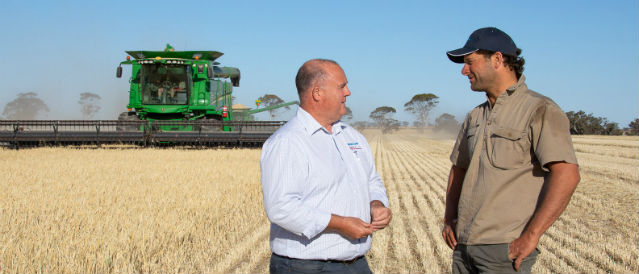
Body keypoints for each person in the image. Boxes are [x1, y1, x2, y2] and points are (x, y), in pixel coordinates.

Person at [442, 27, 580, 274]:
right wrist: (449, 219)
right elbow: (458, 170)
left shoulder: (540, 109)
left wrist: (531, 235)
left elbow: (567, 174)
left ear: (497, 59)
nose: (464, 71)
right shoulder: (474, 116)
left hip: (504, 252)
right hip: (463, 249)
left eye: (469, 62)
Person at [260, 59, 392, 274]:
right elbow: (281, 207)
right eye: (341, 86)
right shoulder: (288, 142)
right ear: (317, 93)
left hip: (357, 264)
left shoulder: (353, 137)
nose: (348, 92)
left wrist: (376, 204)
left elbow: (371, 180)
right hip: (305, 266)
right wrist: (340, 224)